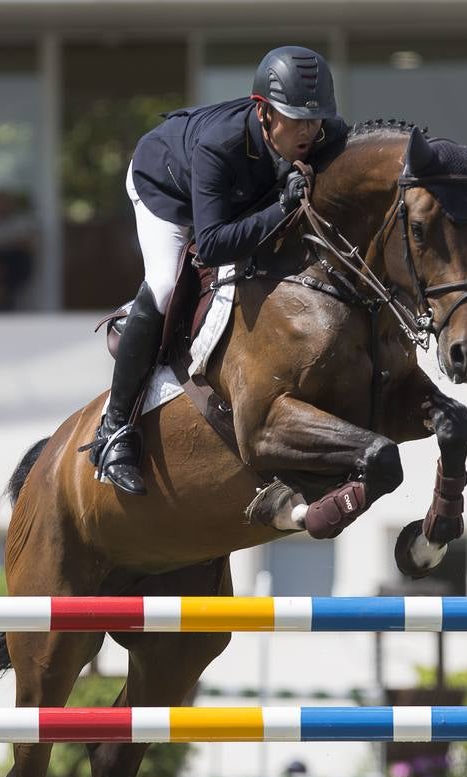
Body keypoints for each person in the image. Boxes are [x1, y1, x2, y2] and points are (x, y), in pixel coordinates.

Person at [82, 46, 349, 495]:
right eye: (296, 119)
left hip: (232, 195)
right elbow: (210, 244)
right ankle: (113, 434)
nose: (309, 130)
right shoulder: (220, 146)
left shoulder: (325, 133)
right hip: (165, 187)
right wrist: (283, 208)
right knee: (166, 285)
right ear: (264, 113)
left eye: (316, 118)